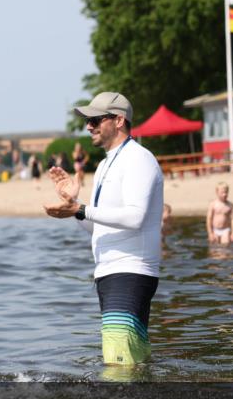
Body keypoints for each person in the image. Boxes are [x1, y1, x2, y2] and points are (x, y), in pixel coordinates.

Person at [43, 92, 163, 366]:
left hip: (130, 270)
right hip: (110, 271)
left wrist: (81, 209)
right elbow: (97, 228)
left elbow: (135, 218)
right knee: (135, 362)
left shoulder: (138, 159)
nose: (89, 126)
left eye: (96, 119)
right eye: (88, 120)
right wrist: (73, 205)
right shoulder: (104, 165)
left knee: (118, 364)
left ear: (119, 120)